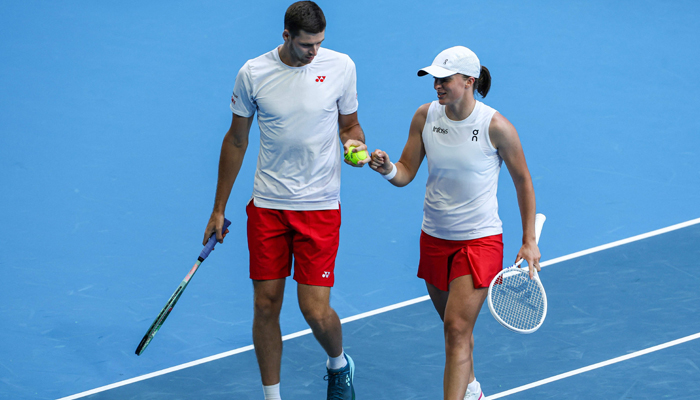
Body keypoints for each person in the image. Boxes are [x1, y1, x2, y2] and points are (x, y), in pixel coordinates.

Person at [202, 2, 368, 399]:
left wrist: (353, 145)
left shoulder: (341, 66)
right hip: (269, 207)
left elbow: (350, 124)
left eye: (319, 44)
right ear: (286, 37)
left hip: (321, 207)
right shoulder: (253, 73)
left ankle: (338, 363)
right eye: (307, 44)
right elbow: (237, 140)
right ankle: (272, 396)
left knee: (314, 310)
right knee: (265, 305)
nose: (314, 52)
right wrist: (219, 208)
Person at [369, 46, 541, 400]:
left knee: (456, 329)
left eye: (444, 79)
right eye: (435, 79)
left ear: (469, 81)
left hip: (479, 243)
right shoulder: (425, 116)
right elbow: (405, 172)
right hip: (434, 238)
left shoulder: (496, 127)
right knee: (455, 330)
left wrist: (529, 240)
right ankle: (473, 390)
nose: (437, 86)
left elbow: (523, 180)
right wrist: (387, 169)